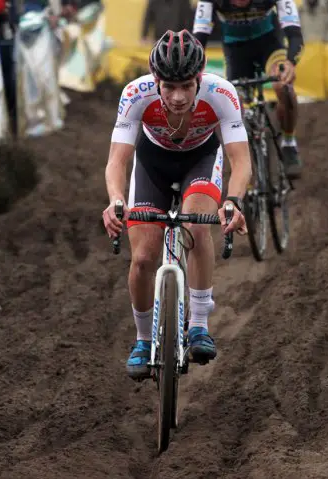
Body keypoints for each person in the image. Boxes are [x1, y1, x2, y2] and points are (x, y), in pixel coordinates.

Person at [102, 29, 250, 381]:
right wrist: (116, 201)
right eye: (169, 87)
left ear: (200, 78)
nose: (179, 96)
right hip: (152, 166)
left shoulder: (221, 93)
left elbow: (240, 160)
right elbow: (117, 161)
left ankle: (198, 323)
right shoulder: (135, 94)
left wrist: (233, 201)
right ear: (156, 81)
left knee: (197, 226)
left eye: (186, 85)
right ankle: (142, 339)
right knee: (142, 258)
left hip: (200, 162)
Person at [192, 0, 304, 180]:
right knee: (237, 107)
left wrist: (290, 62)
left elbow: (295, 33)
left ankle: (289, 142)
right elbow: (199, 38)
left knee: (283, 86)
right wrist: (193, 70)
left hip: (270, 45)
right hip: (236, 53)